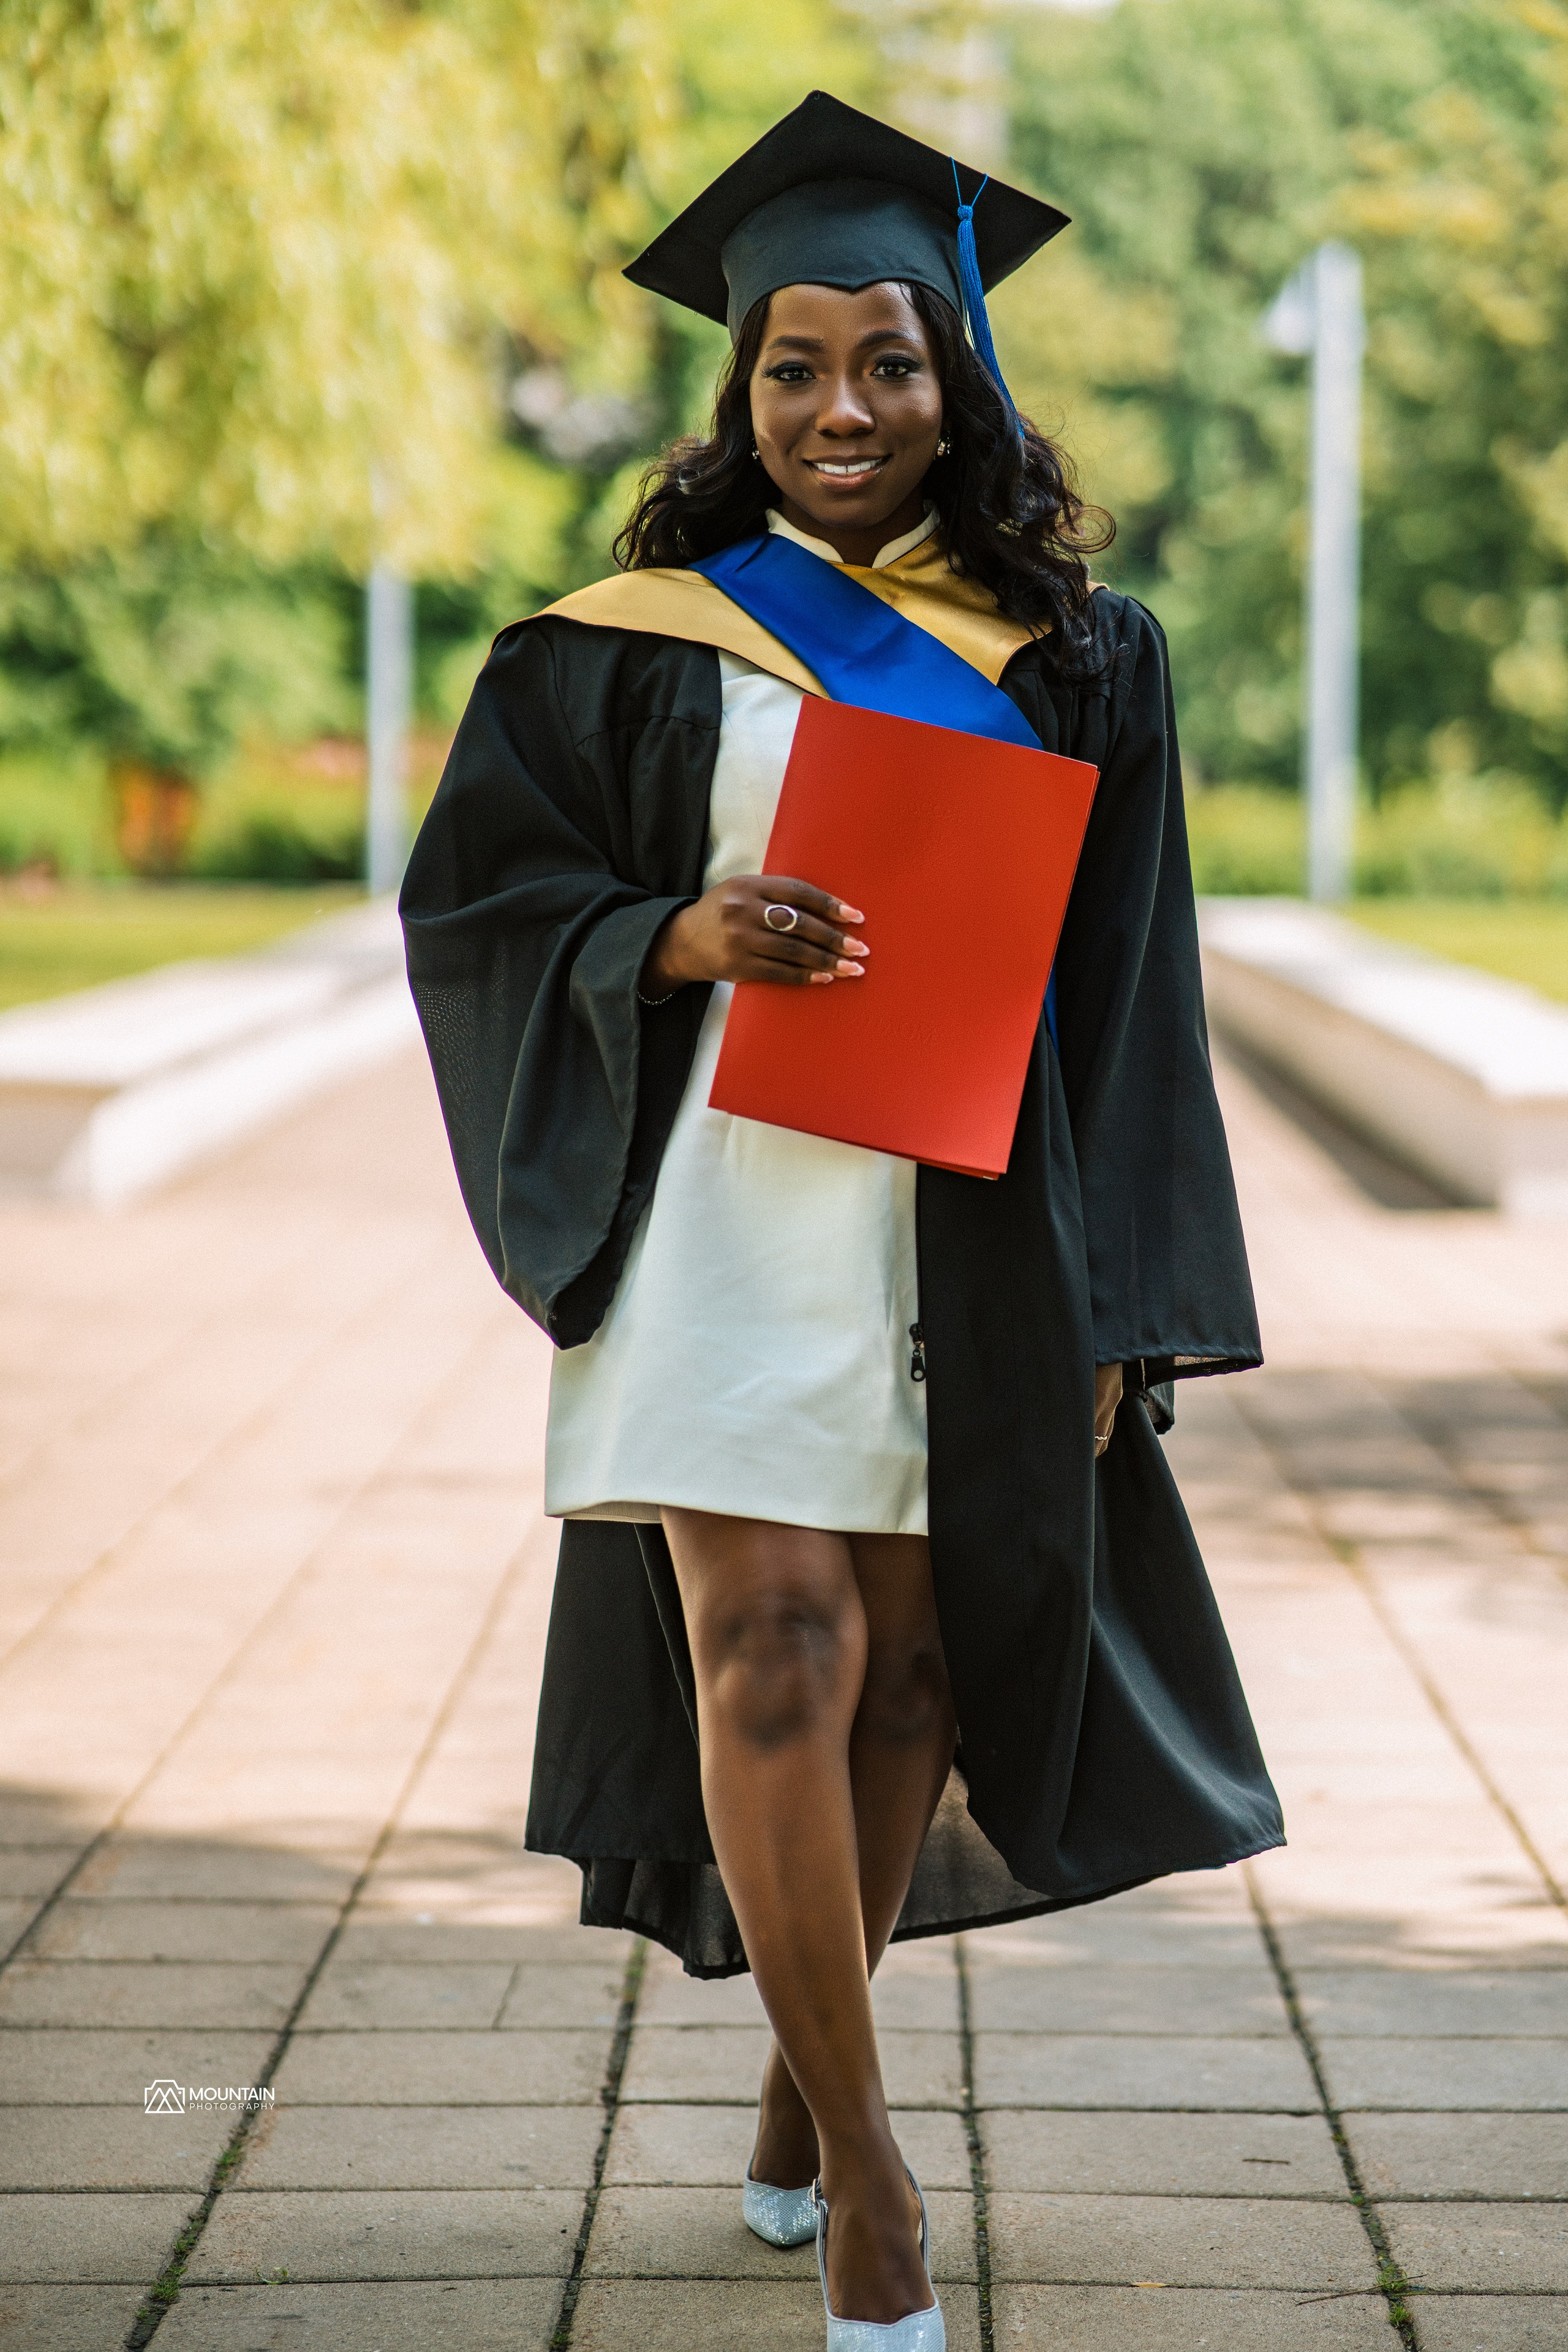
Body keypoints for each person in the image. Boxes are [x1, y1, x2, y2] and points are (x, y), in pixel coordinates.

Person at [401, 90, 1283, 2352]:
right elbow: (489, 904)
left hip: (967, 1226)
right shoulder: (623, 645)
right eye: (792, 367)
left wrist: (1134, 1312)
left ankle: (811, 2076)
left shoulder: (1082, 655)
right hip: (714, 1211)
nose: (839, 412)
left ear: (959, 377)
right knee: (775, 1650)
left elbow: (1134, 996)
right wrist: (675, 942)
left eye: (888, 361)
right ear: (741, 389)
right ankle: (881, 2181)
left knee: (905, 1671)